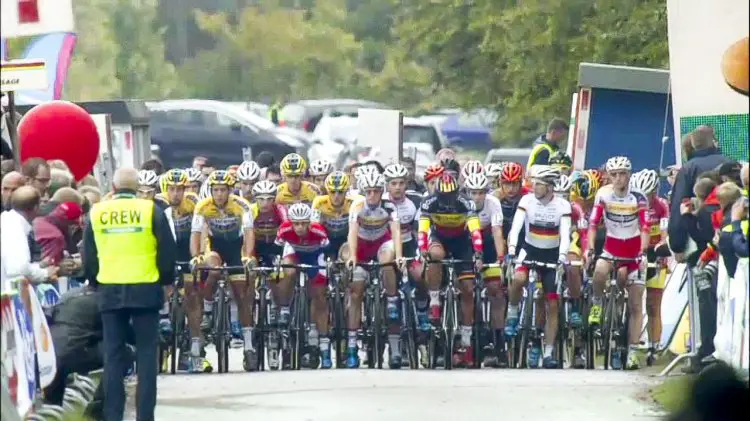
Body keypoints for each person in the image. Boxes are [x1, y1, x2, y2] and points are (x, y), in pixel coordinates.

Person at [82, 167, 176, 421]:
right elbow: (167, 251)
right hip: (145, 288)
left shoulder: (98, 211)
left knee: (113, 355)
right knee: (146, 355)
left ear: (113, 187)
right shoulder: (150, 210)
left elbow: (89, 255)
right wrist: (166, 281)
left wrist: (93, 280)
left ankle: (113, 415)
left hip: (110, 289)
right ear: (137, 188)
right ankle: (145, 416)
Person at [585, 156, 650, 370]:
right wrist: (590, 248)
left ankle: (632, 351)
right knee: (600, 272)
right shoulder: (603, 195)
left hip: (633, 251)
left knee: (635, 304)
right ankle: (596, 304)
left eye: (623, 173)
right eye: (614, 174)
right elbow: (593, 224)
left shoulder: (638, 196)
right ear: (609, 176)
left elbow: (645, 227)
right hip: (612, 247)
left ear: (629, 175)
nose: (619, 178)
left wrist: (642, 251)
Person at [190, 170, 257, 371]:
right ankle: (208, 310)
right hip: (215, 246)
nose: (219, 194)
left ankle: (248, 346)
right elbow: (196, 234)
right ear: (211, 190)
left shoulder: (241, 205)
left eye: (223, 190)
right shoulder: (202, 206)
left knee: (241, 293)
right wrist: (195, 256)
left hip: (236, 247)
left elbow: (248, 233)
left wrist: (247, 255)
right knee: (213, 268)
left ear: (230, 190)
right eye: (216, 190)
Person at [506, 165, 572, 369]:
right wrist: (512, 249)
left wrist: (562, 257)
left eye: (539, 184)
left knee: (552, 304)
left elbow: (565, 233)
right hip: (529, 249)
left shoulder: (563, 206)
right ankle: (513, 311)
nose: (534, 187)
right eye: (533, 183)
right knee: (518, 279)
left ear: (550, 187)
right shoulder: (526, 201)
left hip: (552, 255)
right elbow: (516, 226)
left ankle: (549, 352)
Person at [417, 173, 482, 367]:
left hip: (462, 242)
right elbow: (422, 230)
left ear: (457, 192)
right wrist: (422, 249)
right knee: (434, 255)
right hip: (440, 239)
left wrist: (478, 254)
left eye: (451, 197)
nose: (447, 202)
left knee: (468, 289)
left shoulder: (466, 203)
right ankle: (435, 300)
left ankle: (466, 341)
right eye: (443, 198)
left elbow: (475, 231)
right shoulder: (429, 203)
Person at [42, 285, 135, 421]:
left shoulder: (68, 294)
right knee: (123, 353)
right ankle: (98, 408)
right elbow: (127, 334)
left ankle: (52, 406)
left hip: (52, 357)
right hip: (75, 353)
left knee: (62, 353)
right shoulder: (106, 301)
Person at [275, 203, 331, 368]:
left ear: (309, 222)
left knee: (319, 295)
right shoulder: (284, 229)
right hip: (294, 253)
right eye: (296, 223)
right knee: (288, 271)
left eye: (303, 223)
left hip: (314, 256)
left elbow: (328, 250)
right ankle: (285, 309)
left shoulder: (318, 231)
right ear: (291, 222)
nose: (299, 227)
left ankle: (322, 342)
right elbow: (276, 248)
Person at [464, 172, 507, 367]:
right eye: (473, 193)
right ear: (467, 192)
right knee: (465, 290)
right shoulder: (462, 203)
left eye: (481, 192)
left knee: (496, 290)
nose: (477, 197)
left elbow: (498, 232)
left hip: (488, 246)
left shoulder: (493, 203)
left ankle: (499, 343)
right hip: (467, 244)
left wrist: (500, 259)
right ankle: (465, 341)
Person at [668, 125, 731, 260]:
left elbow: (679, 206)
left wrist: (677, 244)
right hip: (732, 239)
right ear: (713, 141)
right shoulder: (730, 164)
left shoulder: (688, 169)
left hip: (701, 241)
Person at [1, 186, 59, 290]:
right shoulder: (14, 227)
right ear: (36, 207)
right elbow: (19, 269)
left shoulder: (7, 221)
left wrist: (40, 265)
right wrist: (45, 273)